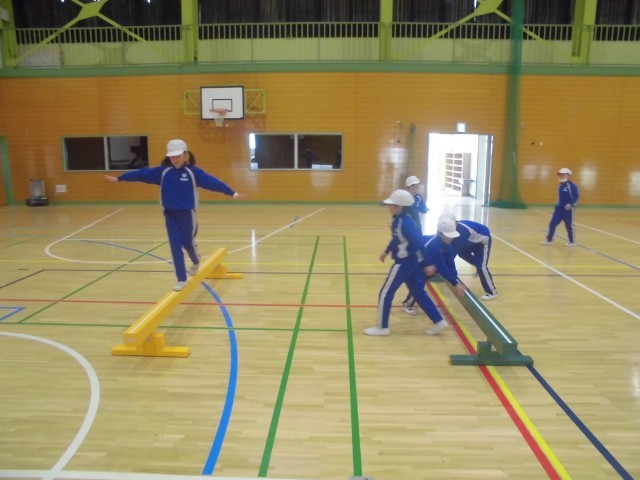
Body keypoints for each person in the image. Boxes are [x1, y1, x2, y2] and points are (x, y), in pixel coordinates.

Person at [104, 139, 243, 291]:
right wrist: (119, 178)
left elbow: (213, 182)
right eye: (172, 156)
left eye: (178, 156)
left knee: (188, 243)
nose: (175, 159)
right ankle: (181, 278)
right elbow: (141, 174)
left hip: (187, 214)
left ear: (185, 155)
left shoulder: (193, 172)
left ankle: (196, 260)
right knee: (175, 246)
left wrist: (232, 193)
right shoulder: (163, 172)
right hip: (170, 214)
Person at [364, 189, 449, 336]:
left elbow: (418, 243)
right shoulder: (397, 220)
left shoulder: (406, 223)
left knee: (386, 292)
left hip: (405, 263)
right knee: (418, 292)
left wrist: (428, 263)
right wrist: (386, 251)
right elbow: (397, 238)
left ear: (399, 207)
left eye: (391, 205)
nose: (389, 207)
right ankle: (439, 321)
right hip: (411, 262)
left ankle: (382, 327)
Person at [437, 213, 497, 301]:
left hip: (482, 242)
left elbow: (450, 256)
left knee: (482, 267)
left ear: (455, 223)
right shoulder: (450, 230)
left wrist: (443, 271)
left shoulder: (462, 232)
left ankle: (492, 292)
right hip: (470, 241)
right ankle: (478, 264)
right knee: (462, 253)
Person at [541, 167, 579, 247]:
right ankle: (549, 240)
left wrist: (571, 204)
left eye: (563, 174)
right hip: (559, 209)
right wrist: (557, 204)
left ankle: (571, 242)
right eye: (560, 175)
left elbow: (576, 196)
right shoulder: (561, 186)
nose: (561, 176)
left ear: (568, 175)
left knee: (569, 226)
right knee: (552, 223)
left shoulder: (572, 185)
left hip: (568, 211)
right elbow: (561, 197)